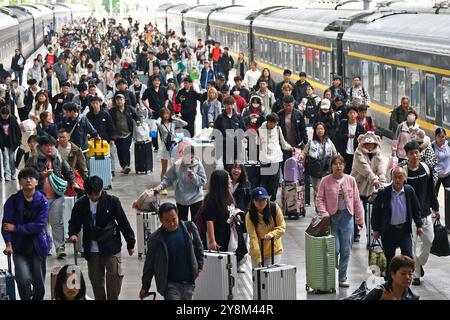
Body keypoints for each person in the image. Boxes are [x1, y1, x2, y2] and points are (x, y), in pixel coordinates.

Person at [68, 176, 136, 300]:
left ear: (102, 190)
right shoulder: (81, 204)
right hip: (92, 248)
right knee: (96, 280)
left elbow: (123, 222)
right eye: (90, 195)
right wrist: (73, 233)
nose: (94, 197)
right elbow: (74, 222)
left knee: (114, 276)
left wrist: (130, 243)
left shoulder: (112, 201)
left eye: (97, 194)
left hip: (111, 245)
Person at [2, 167, 51, 300]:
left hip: (38, 247)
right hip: (19, 248)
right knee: (22, 280)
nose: (28, 180)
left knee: (39, 284)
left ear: (36, 182)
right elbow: (6, 225)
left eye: (31, 178)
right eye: (24, 178)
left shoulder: (42, 201)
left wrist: (17, 228)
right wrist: (8, 243)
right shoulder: (12, 201)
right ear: (20, 183)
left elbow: (39, 225)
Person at [316, 155, 364, 287]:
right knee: (335, 249)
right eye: (335, 164)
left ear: (344, 166)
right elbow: (319, 199)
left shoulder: (351, 180)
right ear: (331, 166)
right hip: (332, 218)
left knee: (346, 250)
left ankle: (342, 277)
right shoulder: (325, 181)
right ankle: (334, 269)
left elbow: (356, 200)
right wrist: (324, 213)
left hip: (347, 217)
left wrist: (360, 219)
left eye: (341, 163)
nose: (338, 166)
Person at [25, 135, 77, 259]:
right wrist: (40, 175)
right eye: (46, 145)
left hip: (57, 196)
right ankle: (45, 246)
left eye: (52, 145)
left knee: (57, 222)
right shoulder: (33, 160)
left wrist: (73, 182)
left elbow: (68, 171)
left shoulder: (57, 158)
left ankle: (60, 247)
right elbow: (26, 176)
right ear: (40, 146)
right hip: (39, 197)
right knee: (42, 223)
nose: (49, 148)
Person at [140, 203, 204, 300]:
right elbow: (149, 264)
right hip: (170, 285)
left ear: (177, 214)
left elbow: (199, 248)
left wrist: (198, 268)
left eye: (174, 219)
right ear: (160, 220)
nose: (172, 224)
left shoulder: (189, 228)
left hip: (189, 283)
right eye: (167, 221)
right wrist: (145, 286)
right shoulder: (155, 239)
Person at [371, 166, 423, 276]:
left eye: (400, 177)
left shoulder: (409, 191)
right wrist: (376, 229)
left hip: (404, 230)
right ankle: (390, 285)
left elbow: (416, 208)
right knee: (390, 259)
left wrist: (419, 225)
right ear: (392, 178)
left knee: (408, 257)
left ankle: (405, 285)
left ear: (404, 178)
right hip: (389, 231)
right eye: (395, 177)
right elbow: (376, 212)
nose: (398, 180)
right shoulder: (384, 192)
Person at [403, 141, 439, 285]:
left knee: (429, 240)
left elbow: (431, 191)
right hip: (409, 216)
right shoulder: (404, 172)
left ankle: (418, 263)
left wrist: (436, 208)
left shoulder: (426, 168)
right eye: (411, 153)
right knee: (411, 246)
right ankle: (416, 274)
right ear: (406, 155)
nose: (415, 155)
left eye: (417, 152)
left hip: (425, 213)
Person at [154, 145, 206, 221]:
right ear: (183, 155)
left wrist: (194, 177)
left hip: (196, 198)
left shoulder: (198, 165)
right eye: (186, 157)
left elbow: (203, 181)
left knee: (196, 223)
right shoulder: (177, 165)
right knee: (181, 222)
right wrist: (160, 187)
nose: (188, 160)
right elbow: (168, 178)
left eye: (191, 158)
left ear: (193, 156)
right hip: (181, 198)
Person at [350, 132, 385, 242]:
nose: (370, 146)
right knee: (355, 209)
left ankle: (370, 234)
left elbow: (380, 166)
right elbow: (364, 168)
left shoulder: (378, 153)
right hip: (357, 185)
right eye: (367, 144)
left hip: (369, 187)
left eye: (372, 144)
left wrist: (382, 177)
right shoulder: (358, 153)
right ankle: (355, 232)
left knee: (369, 211)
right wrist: (374, 178)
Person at [245, 187, 286, 268]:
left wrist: (272, 234)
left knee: (272, 278)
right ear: (253, 201)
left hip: (274, 250)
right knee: (258, 278)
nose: (262, 202)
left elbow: (282, 227)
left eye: (264, 199)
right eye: (258, 200)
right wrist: (258, 258)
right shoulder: (249, 215)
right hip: (257, 251)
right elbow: (253, 238)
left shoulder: (274, 208)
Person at [300, 122, 337, 206]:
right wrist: (301, 156)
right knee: (317, 189)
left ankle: (326, 207)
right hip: (315, 168)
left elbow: (335, 153)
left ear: (324, 130)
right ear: (315, 131)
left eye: (321, 129)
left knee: (327, 188)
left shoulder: (329, 141)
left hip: (326, 168)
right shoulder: (311, 141)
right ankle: (319, 209)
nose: (319, 131)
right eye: (318, 129)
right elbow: (304, 152)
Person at [259, 113, 294, 201]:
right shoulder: (260, 130)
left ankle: (273, 200)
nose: (275, 125)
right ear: (268, 122)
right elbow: (256, 143)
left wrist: (290, 147)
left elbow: (283, 142)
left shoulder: (278, 129)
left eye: (276, 123)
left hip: (276, 158)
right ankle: (264, 199)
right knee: (264, 180)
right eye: (273, 123)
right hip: (264, 159)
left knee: (274, 181)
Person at [155, 107, 188, 192]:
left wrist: (175, 118)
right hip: (164, 147)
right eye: (164, 114)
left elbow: (185, 123)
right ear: (162, 115)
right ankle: (162, 187)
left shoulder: (172, 123)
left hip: (173, 146)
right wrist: (159, 118)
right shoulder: (161, 124)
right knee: (164, 168)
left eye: (167, 114)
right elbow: (157, 123)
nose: (166, 115)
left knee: (174, 166)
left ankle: (175, 183)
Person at [203, 170, 236, 251]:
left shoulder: (228, 195)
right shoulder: (212, 199)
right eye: (228, 179)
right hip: (219, 237)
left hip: (230, 235)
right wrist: (212, 241)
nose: (230, 181)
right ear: (221, 182)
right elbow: (209, 221)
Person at [109, 94, 139, 174]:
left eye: (121, 99)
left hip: (128, 133)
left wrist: (139, 122)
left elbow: (137, 117)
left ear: (124, 100)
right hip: (117, 134)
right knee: (119, 150)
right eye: (117, 100)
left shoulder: (129, 109)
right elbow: (109, 122)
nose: (119, 101)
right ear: (115, 101)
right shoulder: (112, 111)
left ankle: (126, 165)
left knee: (126, 149)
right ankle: (123, 165)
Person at [214, 96, 247, 167]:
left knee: (237, 167)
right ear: (224, 105)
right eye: (227, 104)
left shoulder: (238, 117)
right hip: (225, 146)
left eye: (231, 104)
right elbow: (216, 131)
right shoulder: (220, 118)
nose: (229, 106)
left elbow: (243, 129)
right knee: (227, 167)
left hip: (237, 146)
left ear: (233, 104)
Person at [335, 106, 366, 175]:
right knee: (343, 170)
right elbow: (337, 136)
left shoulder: (360, 127)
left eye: (354, 113)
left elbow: (363, 141)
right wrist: (346, 136)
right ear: (347, 114)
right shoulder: (343, 124)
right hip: (344, 152)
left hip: (355, 153)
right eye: (350, 113)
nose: (352, 115)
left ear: (357, 114)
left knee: (353, 171)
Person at [0, 106, 21, 181]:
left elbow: (18, 131)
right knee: (5, 159)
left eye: (6, 115)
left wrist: (19, 141)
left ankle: (13, 174)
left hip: (12, 143)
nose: (5, 116)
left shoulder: (13, 120)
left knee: (12, 159)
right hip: (3, 144)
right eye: (3, 115)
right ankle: (7, 175)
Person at [433, 127, 450, 194]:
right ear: (435, 137)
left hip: (447, 174)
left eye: (443, 136)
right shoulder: (432, 146)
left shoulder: (448, 145)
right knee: (434, 195)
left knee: (449, 194)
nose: (441, 138)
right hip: (436, 175)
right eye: (439, 136)